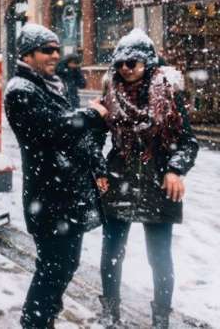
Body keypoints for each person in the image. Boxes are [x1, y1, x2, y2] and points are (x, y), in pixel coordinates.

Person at [3, 24, 108, 329]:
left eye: (56, 49)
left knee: (65, 264)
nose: (54, 55)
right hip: (47, 196)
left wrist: (97, 164)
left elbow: (73, 137)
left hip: (66, 194)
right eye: (46, 50)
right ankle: (35, 322)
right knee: (53, 266)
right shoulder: (20, 90)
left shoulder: (52, 85)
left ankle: (43, 318)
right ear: (27, 54)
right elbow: (53, 129)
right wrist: (91, 116)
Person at [97, 29, 198, 329]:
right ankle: (110, 312)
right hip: (119, 178)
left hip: (157, 181)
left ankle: (160, 318)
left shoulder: (168, 94)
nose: (126, 68)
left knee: (160, 257)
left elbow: (188, 142)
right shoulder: (109, 94)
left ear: (148, 62)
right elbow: (92, 139)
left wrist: (175, 169)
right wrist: (99, 169)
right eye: (120, 63)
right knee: (112, 252)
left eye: (133, 62)